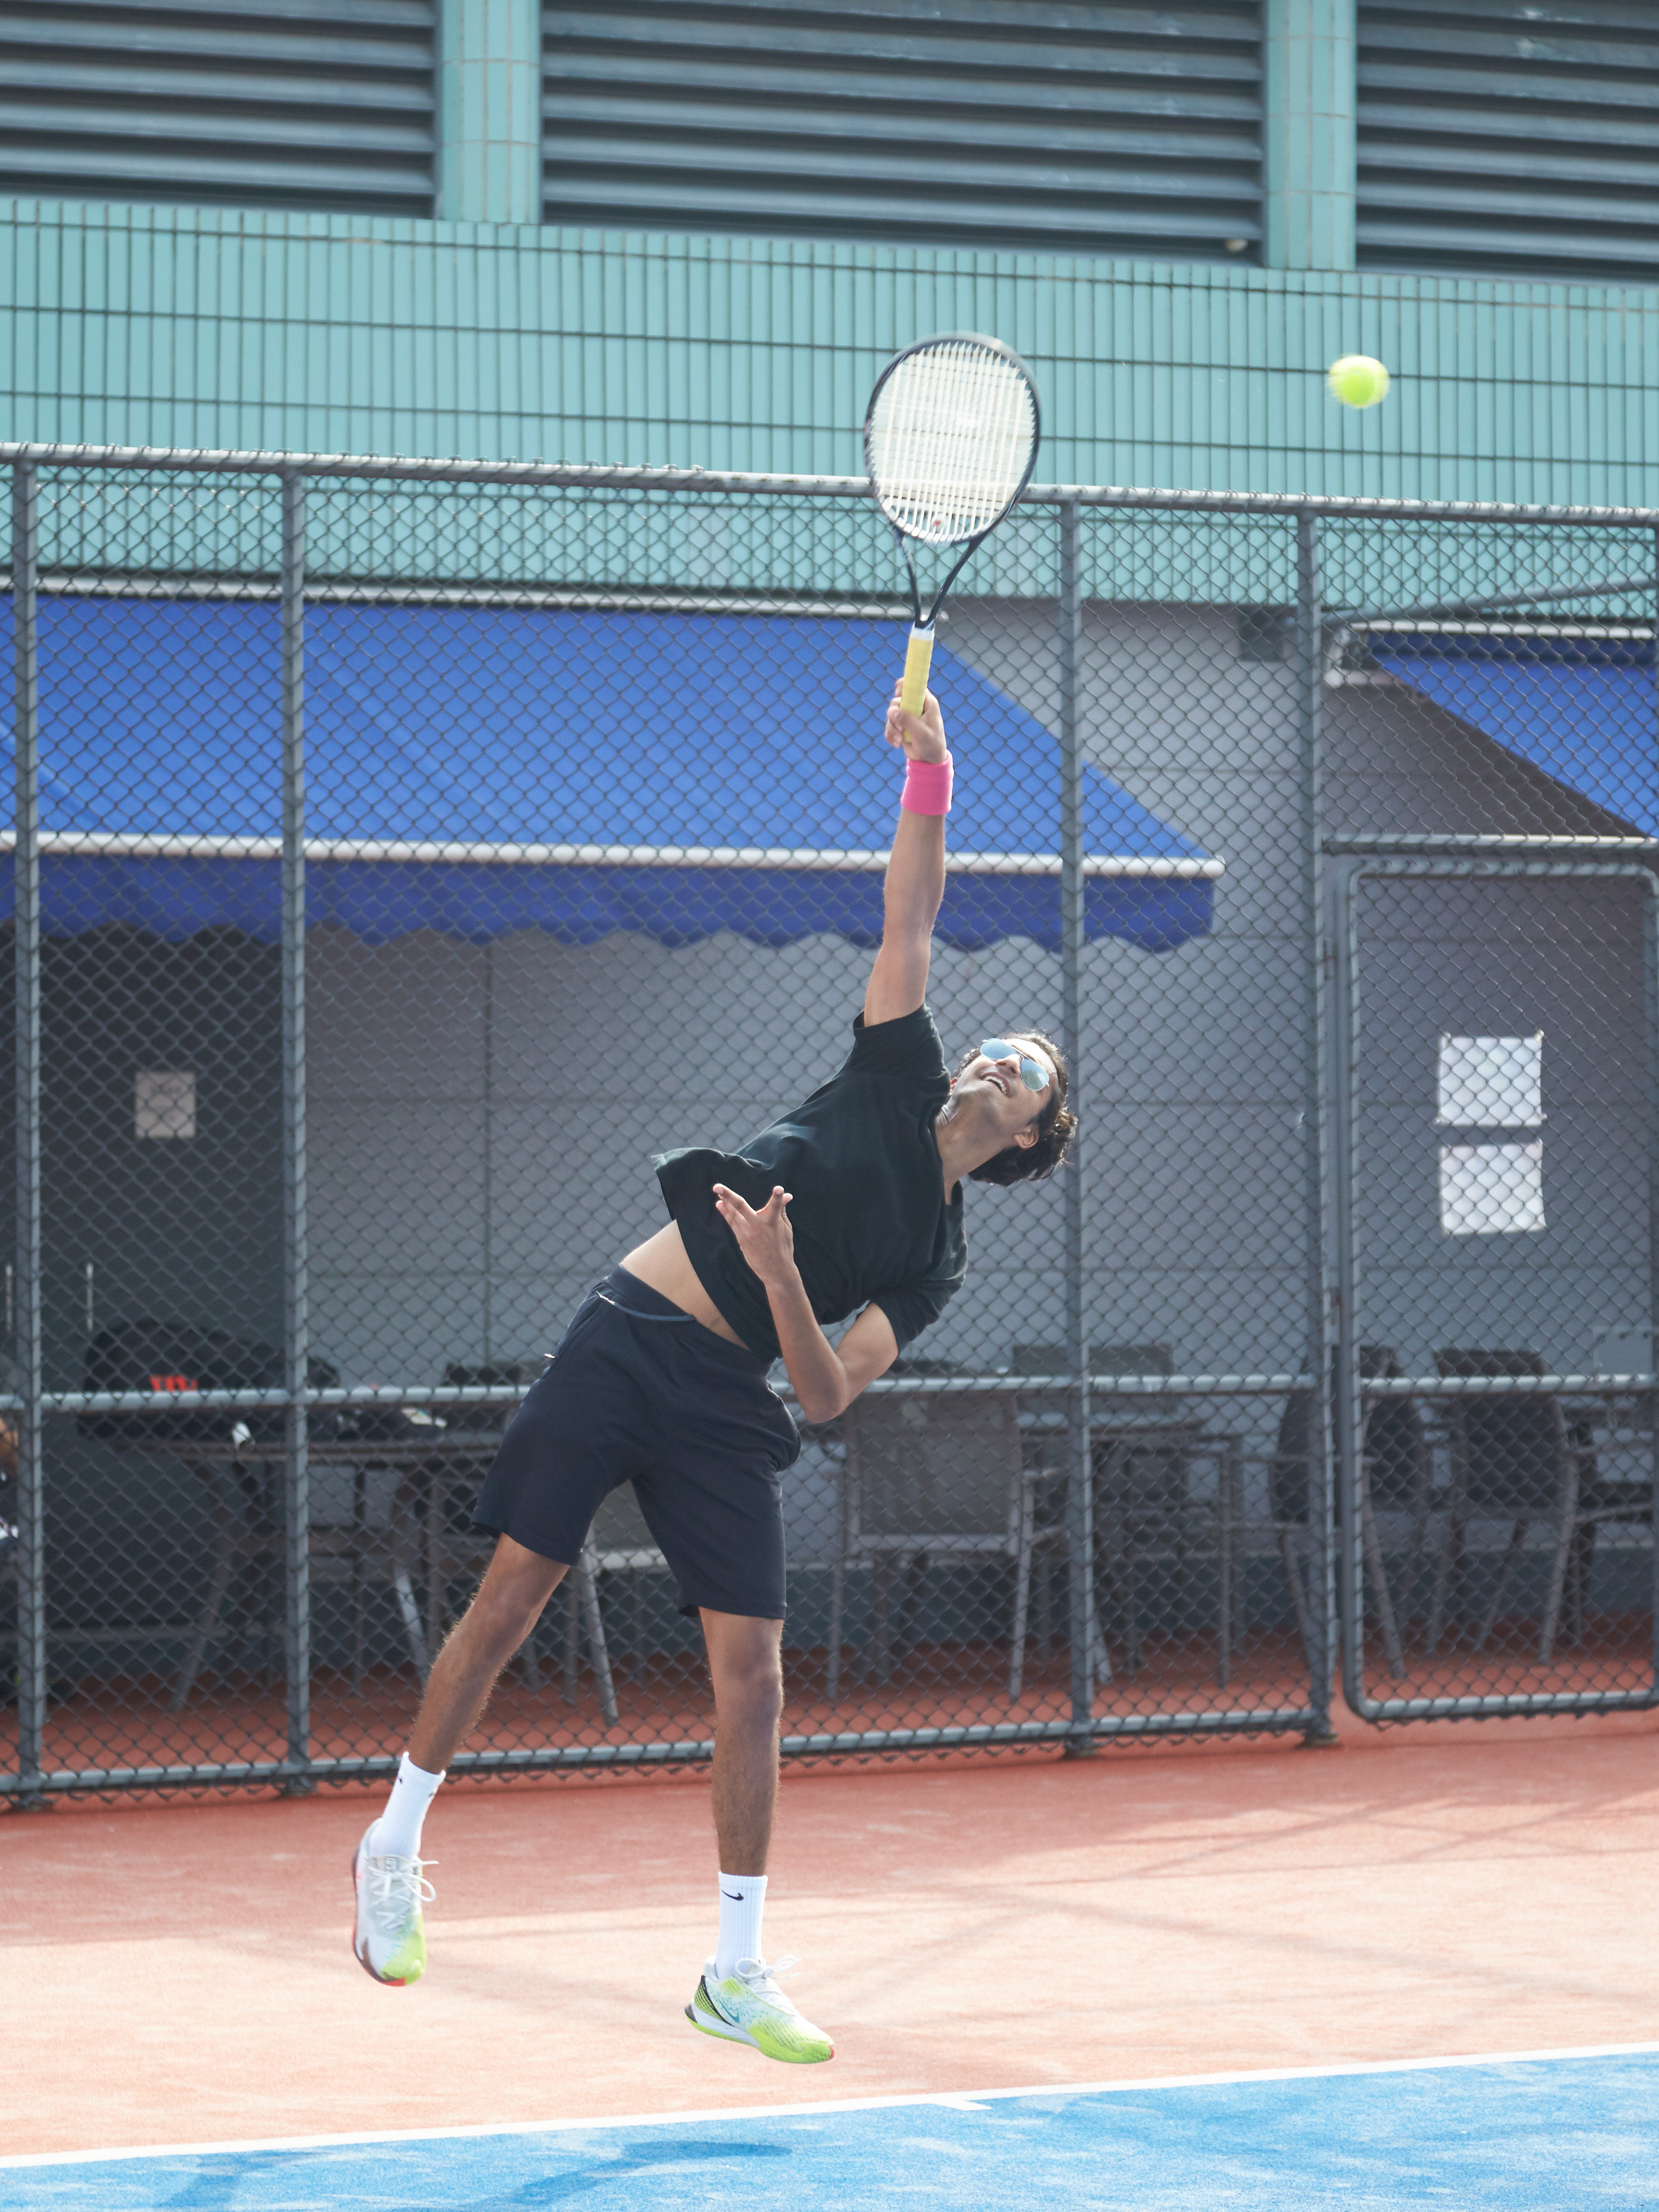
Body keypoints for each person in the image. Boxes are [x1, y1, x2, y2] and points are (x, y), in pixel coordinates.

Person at [349, 679, 1077, 2064]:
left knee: (754, 1678)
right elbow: (911, 909)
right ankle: (391, 1846)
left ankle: (732, 1970)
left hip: (725, 1392)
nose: (996, 1059)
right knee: (509, 1598)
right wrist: (931, 772)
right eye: (996, 1045)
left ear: (1035, 1134)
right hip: (627, 1331)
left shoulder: (936, 1258)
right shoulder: (894, 1062)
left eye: (1025, 1070)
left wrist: (784, 1274)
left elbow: (827, 1392)